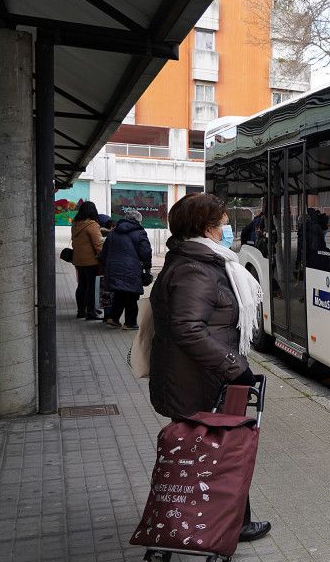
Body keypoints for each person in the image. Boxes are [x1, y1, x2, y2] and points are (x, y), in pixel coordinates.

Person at [148, 193, 270, 542]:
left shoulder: (202, 261)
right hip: (197, 380)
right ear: (207, 228)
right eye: (224, 223)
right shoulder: (195, 268)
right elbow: (188, 329)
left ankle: (228, 520)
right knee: (215, 451)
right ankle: (214, 524)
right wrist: (237, 368)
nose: (229, 228)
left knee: (216, 450)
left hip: (199, 377)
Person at [100, 208, 152, 329]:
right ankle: (130, 323)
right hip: (131, 269)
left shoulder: (113, 232)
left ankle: (113, 318)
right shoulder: (140, 233)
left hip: (113, 268)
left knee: (119, 293)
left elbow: (105, 252)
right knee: (132, 296)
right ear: (138, 221)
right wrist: (147, 269)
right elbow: (146, 252)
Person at [70, 200, 103, 320]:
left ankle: (80, 311)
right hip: (91, 261)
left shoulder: (75, 224)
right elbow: (98, 244)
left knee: (82, 285)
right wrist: (102, 256)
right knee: (91, 286)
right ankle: (91, 312)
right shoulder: (91, 224)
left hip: (78, 260)